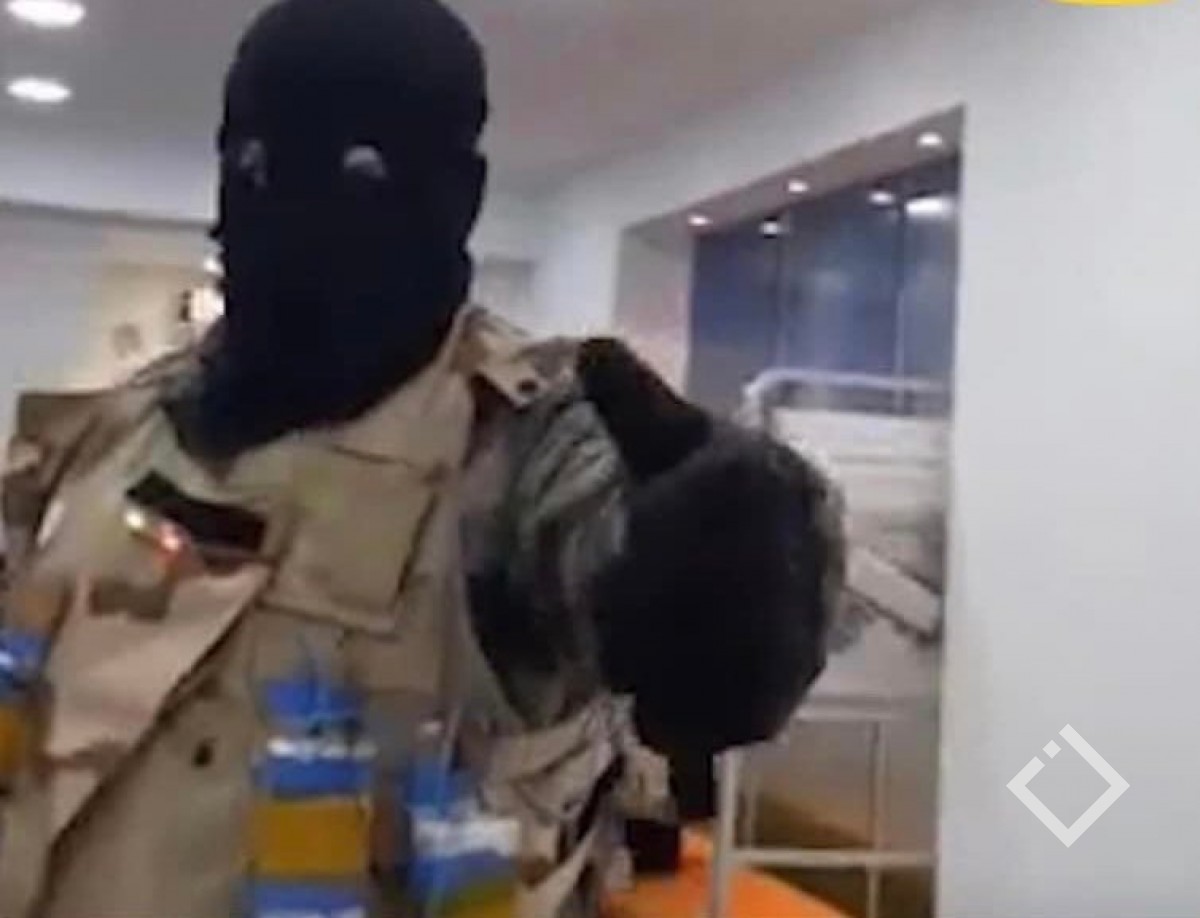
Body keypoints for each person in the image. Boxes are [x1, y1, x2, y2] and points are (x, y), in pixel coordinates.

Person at [0, 0, 844, 915]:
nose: (294, 218)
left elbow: (632, 546)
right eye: (254, 168)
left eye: (361, 171)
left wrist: (745, 573)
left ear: (460, 197)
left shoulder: (523, 451)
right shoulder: (114, 425)